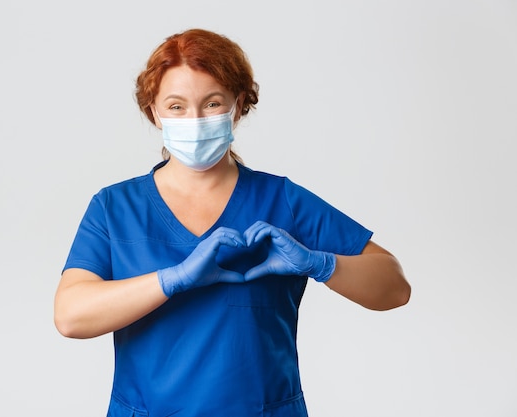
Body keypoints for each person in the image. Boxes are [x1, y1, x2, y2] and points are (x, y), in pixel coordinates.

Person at [54, 28, 411, 417]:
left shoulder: (283, 202)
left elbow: (394, 288)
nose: (195, 118)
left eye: (212, 103)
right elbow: (70, 316)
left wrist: (320, 264)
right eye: (176, 106)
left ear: (238, 106)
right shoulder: (115, 207)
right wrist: (172, 279)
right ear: (154, 111)